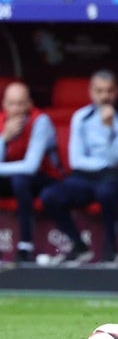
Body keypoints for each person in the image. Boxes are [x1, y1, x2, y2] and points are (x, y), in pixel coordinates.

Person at [40, 69, 118, 266]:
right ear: (91, 92)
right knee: (50, 195)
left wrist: (108, 127)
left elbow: (116, 156)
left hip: (117, 178)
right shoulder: (81, 117)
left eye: (109, 91)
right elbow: (76, 160)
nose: (105, 96)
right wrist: (106, 164)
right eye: (99, 91)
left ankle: (111, 250)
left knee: (106, 191)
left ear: (117, 92)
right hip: (86, 177)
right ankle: (79, 247)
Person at [0, 82, 62, 262]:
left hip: (46, 178)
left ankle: (25, 244)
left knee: (21, 180)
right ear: (4, 105)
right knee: (18, 180)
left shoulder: (40, 121)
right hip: (12, 178)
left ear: (29, 104)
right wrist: (4, 139)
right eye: (11, 104)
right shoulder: (2, 122)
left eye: (20, 104)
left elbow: (31, 166)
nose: (16, 109)